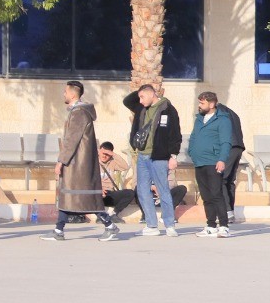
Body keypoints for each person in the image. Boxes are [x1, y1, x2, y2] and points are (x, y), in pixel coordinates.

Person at [42, 81, 120, 242]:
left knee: (84, 197)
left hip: (78, 165)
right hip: (76, 163)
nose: (63, 94)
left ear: (72, 94)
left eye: (65, 91)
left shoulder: (79, 113)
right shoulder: (79, 112)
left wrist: (61, 161)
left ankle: (109, 225)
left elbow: (71, 140)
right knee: (69, 196)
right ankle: (58, 230)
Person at [123, 84, 182, 237]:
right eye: (139, 97)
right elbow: (127, 101)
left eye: (142, 97)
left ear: (151, 94)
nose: (140, 100)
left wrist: (173, 156)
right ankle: (151, 225)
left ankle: (169, 224)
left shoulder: (168, 109)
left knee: (163, 190)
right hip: (142, 156)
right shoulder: (141, 108)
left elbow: (175, 134)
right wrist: (141, 90)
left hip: (160, 156)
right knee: (143, 190)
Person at [189, 92, 232, 237]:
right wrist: (192, 152)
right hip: (199, 162)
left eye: (202, 103)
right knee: (206, 196)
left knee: (216, 194)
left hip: (213, 162)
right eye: (199, 102)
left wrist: (222, 159)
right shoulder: (199, 119)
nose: (199, 106)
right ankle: (211, 225)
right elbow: (193, 137)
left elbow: (226, 142)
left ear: (212, 104)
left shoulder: (223, 120)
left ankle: (224, 226)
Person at [217, 101, 246, 224]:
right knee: (230, 181)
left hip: (229, 147)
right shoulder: (232, 113)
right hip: (238, 147)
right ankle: (230, 212)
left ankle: (227, 212)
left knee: (221, 179)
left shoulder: (219, 113)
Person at [98, 142, 135, 219]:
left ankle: (114, 214)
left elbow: (125, 167)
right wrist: (98, 189)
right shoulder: (93, 163)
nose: (104, 156)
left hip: (109, 194)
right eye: (103, 153)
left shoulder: (112, 162)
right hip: (97, 193)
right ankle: (100, 216)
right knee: (94, 192)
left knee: (130, 193)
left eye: (107, 154)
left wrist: (113, 154)